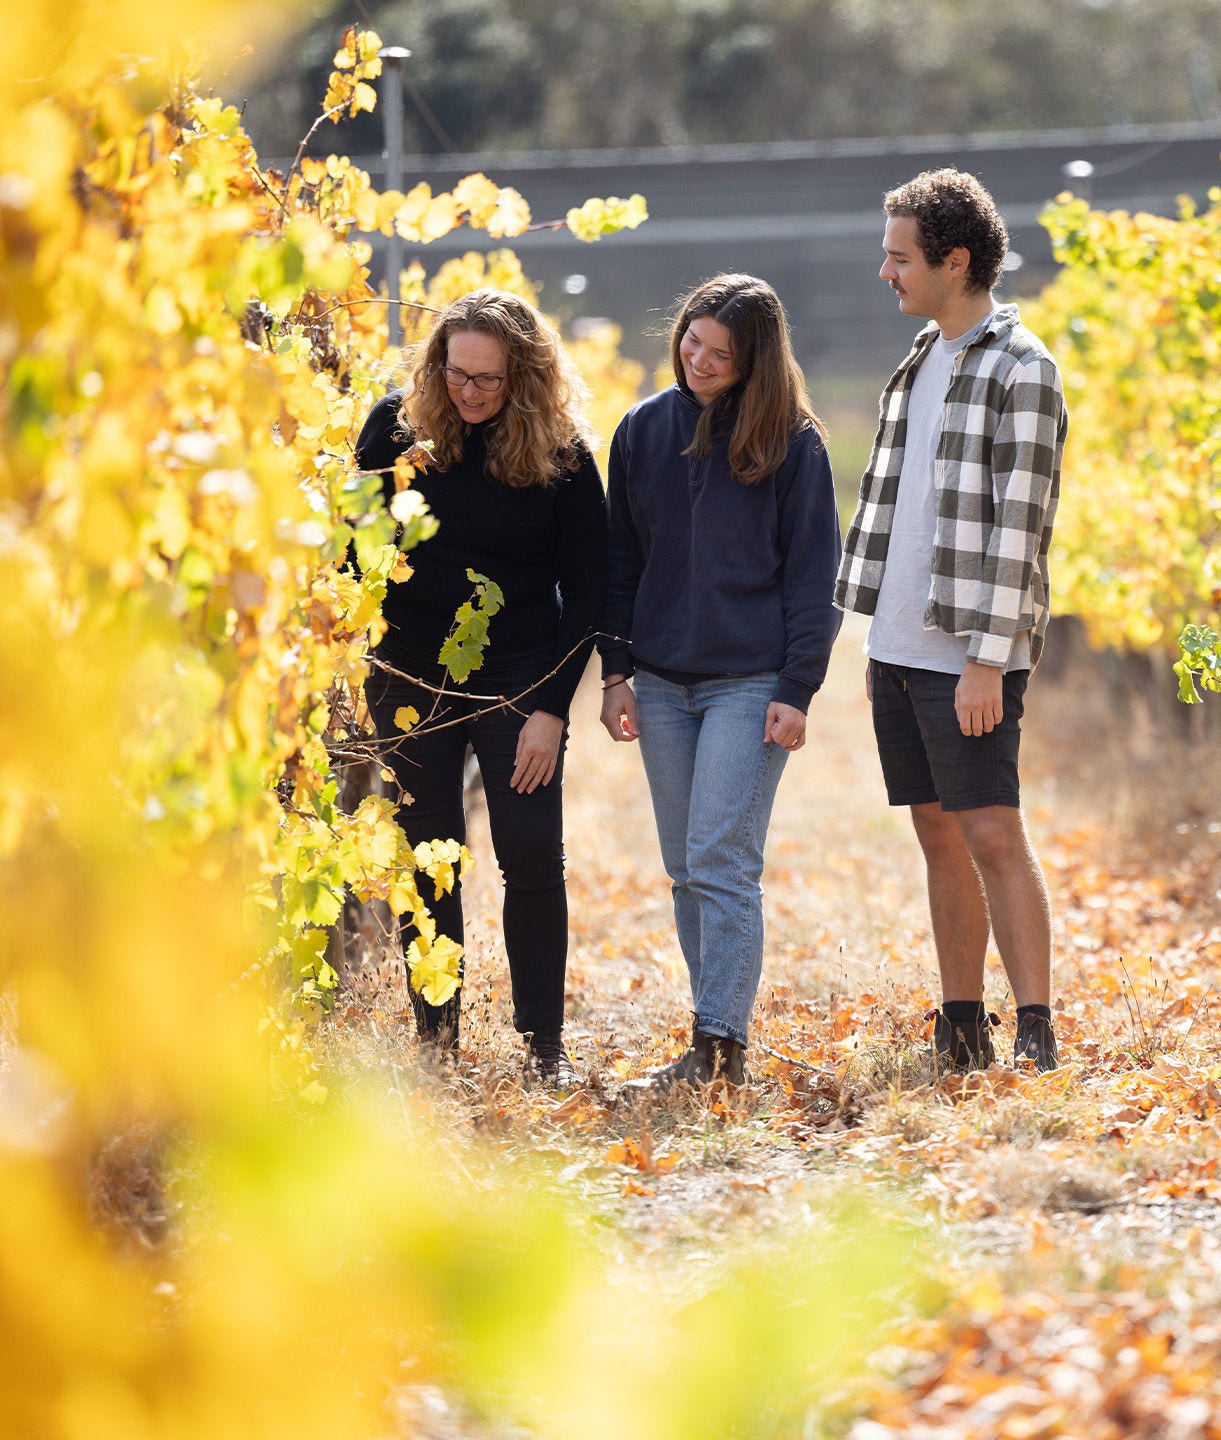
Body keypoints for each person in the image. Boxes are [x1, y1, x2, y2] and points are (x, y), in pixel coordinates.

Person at [836, 168, 1068, 1073]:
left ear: (955, 260)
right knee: (937, 832)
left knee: (993, 832)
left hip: (967, 655)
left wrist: (987, 659)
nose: (884, 271)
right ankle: (962, 1022)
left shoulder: (1024, 369)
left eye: (899, 258)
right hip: (896, 648)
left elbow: (1022, 526)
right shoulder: (919, 360)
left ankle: (1038, 1029)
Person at [354, 288, 608, 1086]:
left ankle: (543, 1050)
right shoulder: (395, 428)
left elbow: (591, 592)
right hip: (409, 673)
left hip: (516, 678)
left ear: (524, 378)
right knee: (429, 858)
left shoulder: (561, 452)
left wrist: (549, 712)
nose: (467, 391)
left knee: (531, 855)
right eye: (454, 372)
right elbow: (351, 550)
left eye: (488, 380)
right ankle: (438, 1045)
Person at [598, 274, 841, 1088]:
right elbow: (619, 564)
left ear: (755, 365)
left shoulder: (793, 445)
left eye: (719, 354)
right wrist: (616, 673)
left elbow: (815, 576)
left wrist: (797, 688)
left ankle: (718, 1048)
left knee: (721, 861)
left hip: (750, 680)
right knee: (684, 867)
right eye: (691, 341)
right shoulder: (639, 431)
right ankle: (712, 1040)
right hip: (661, 684)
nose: (696, 360)